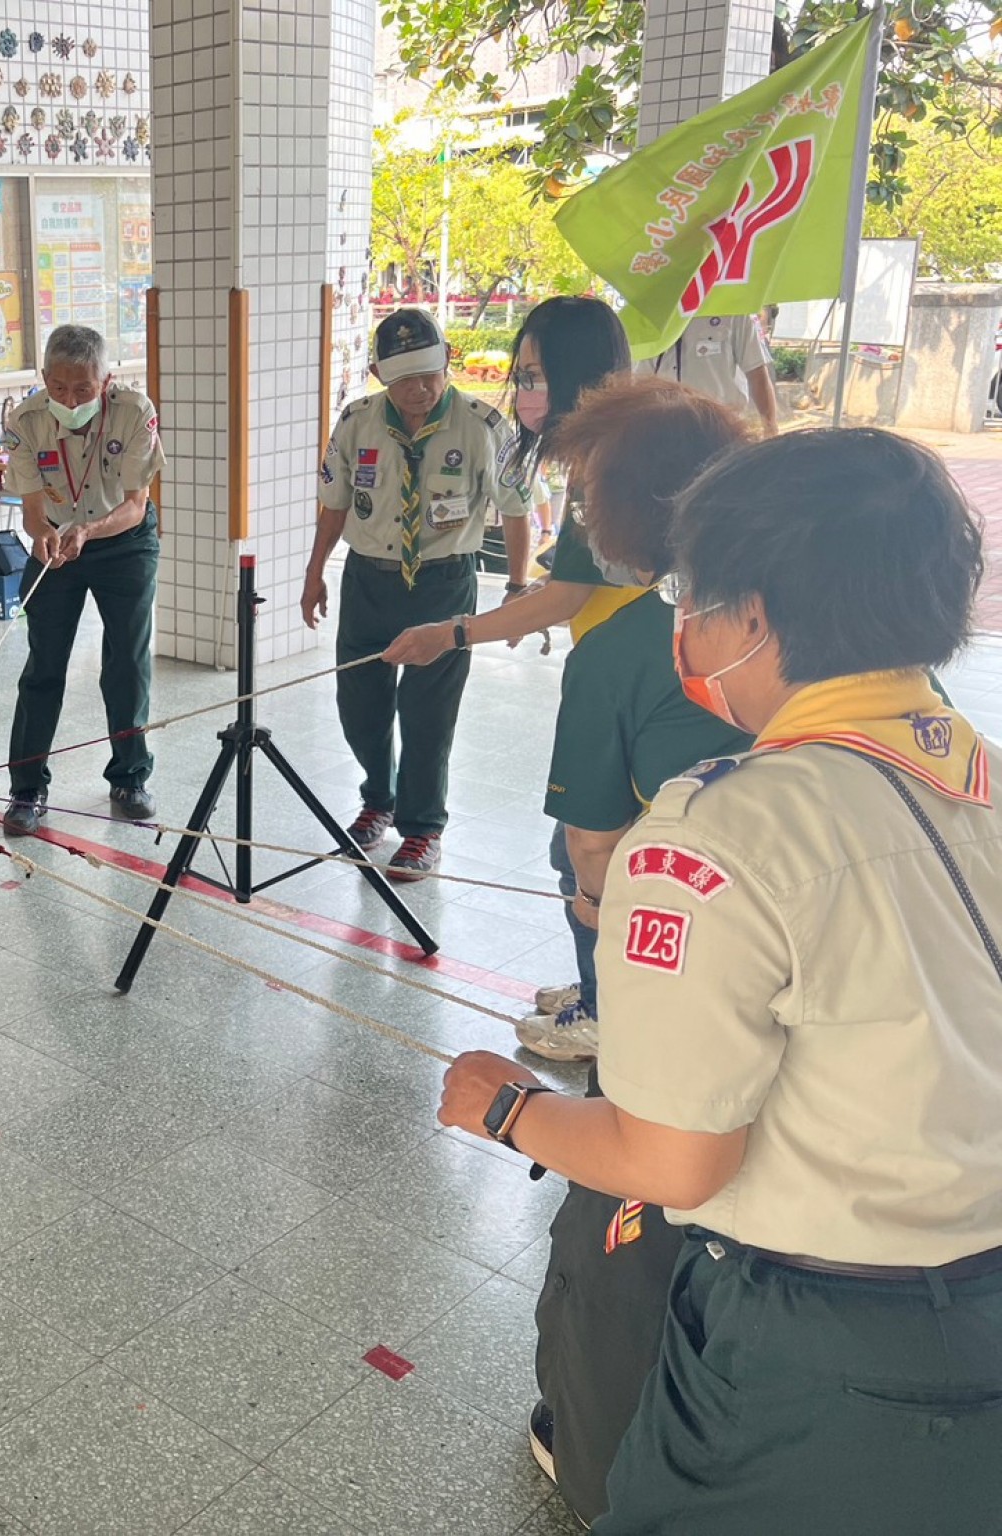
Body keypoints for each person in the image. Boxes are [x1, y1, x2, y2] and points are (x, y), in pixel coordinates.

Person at [439, 428, 1002, 1534]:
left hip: (820, 1343)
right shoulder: (979, 777)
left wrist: (507, 1107)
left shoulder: (719, 832)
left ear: (757, 616)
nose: (681, 625)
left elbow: (671, 1163)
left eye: (691, 596)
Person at [488, 378, 755, 1525]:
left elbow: (592, 857)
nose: (578, 514)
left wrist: (504, 1106)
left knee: (624, 1226)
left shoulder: (624, 646)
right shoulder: (825, 627)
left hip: (674, 1010)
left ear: (638, 507)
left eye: (590, 492)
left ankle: (593, 1442)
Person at [385, 296, 632, 1003]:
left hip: (630, 680)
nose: (522, 392)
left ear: (580, 371)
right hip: (615, 664)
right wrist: (535, 596)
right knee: (584, 851)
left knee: (590, 852)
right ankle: (598, 993)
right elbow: (589, 577)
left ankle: (606, 1011)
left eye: (534, 375)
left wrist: (451, 632)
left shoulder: (607, 461)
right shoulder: (616, 445)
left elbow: (570, 594)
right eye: (520, 376)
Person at [301, 308, 531, 880]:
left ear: (448, 360)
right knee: (360, 707)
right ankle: (379, 799)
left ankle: (423, 827)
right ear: (379, 373)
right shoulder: (356, 422)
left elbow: (515, 508)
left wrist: (518, 589)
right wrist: (314, 571)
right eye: (405, 378)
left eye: (430, 373)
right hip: (368, 580)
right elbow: (334, 504)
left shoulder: (483, 425)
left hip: (443, 583)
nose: (420, 389)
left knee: (428, 716)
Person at [0, 323, 165, 836]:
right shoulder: (25, 421)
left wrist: (89, 531)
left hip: (123, 541)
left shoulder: (134, 412)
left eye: (83, 389)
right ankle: (27, 789)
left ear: (106, 381)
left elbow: (135, 505)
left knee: (127, 662)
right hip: (56, 542)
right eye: (59, 387)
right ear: (44, 377)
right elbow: (31, 510)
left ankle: (130, 777)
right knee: (44, 664)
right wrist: (43, 535)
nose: (70, 400)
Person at [646, 313, 779, 435]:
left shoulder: (735, 312)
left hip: (723, 429)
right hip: (666, 429)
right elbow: (642, 380)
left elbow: (757, 374)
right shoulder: (650, 315)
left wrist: (770, 429)